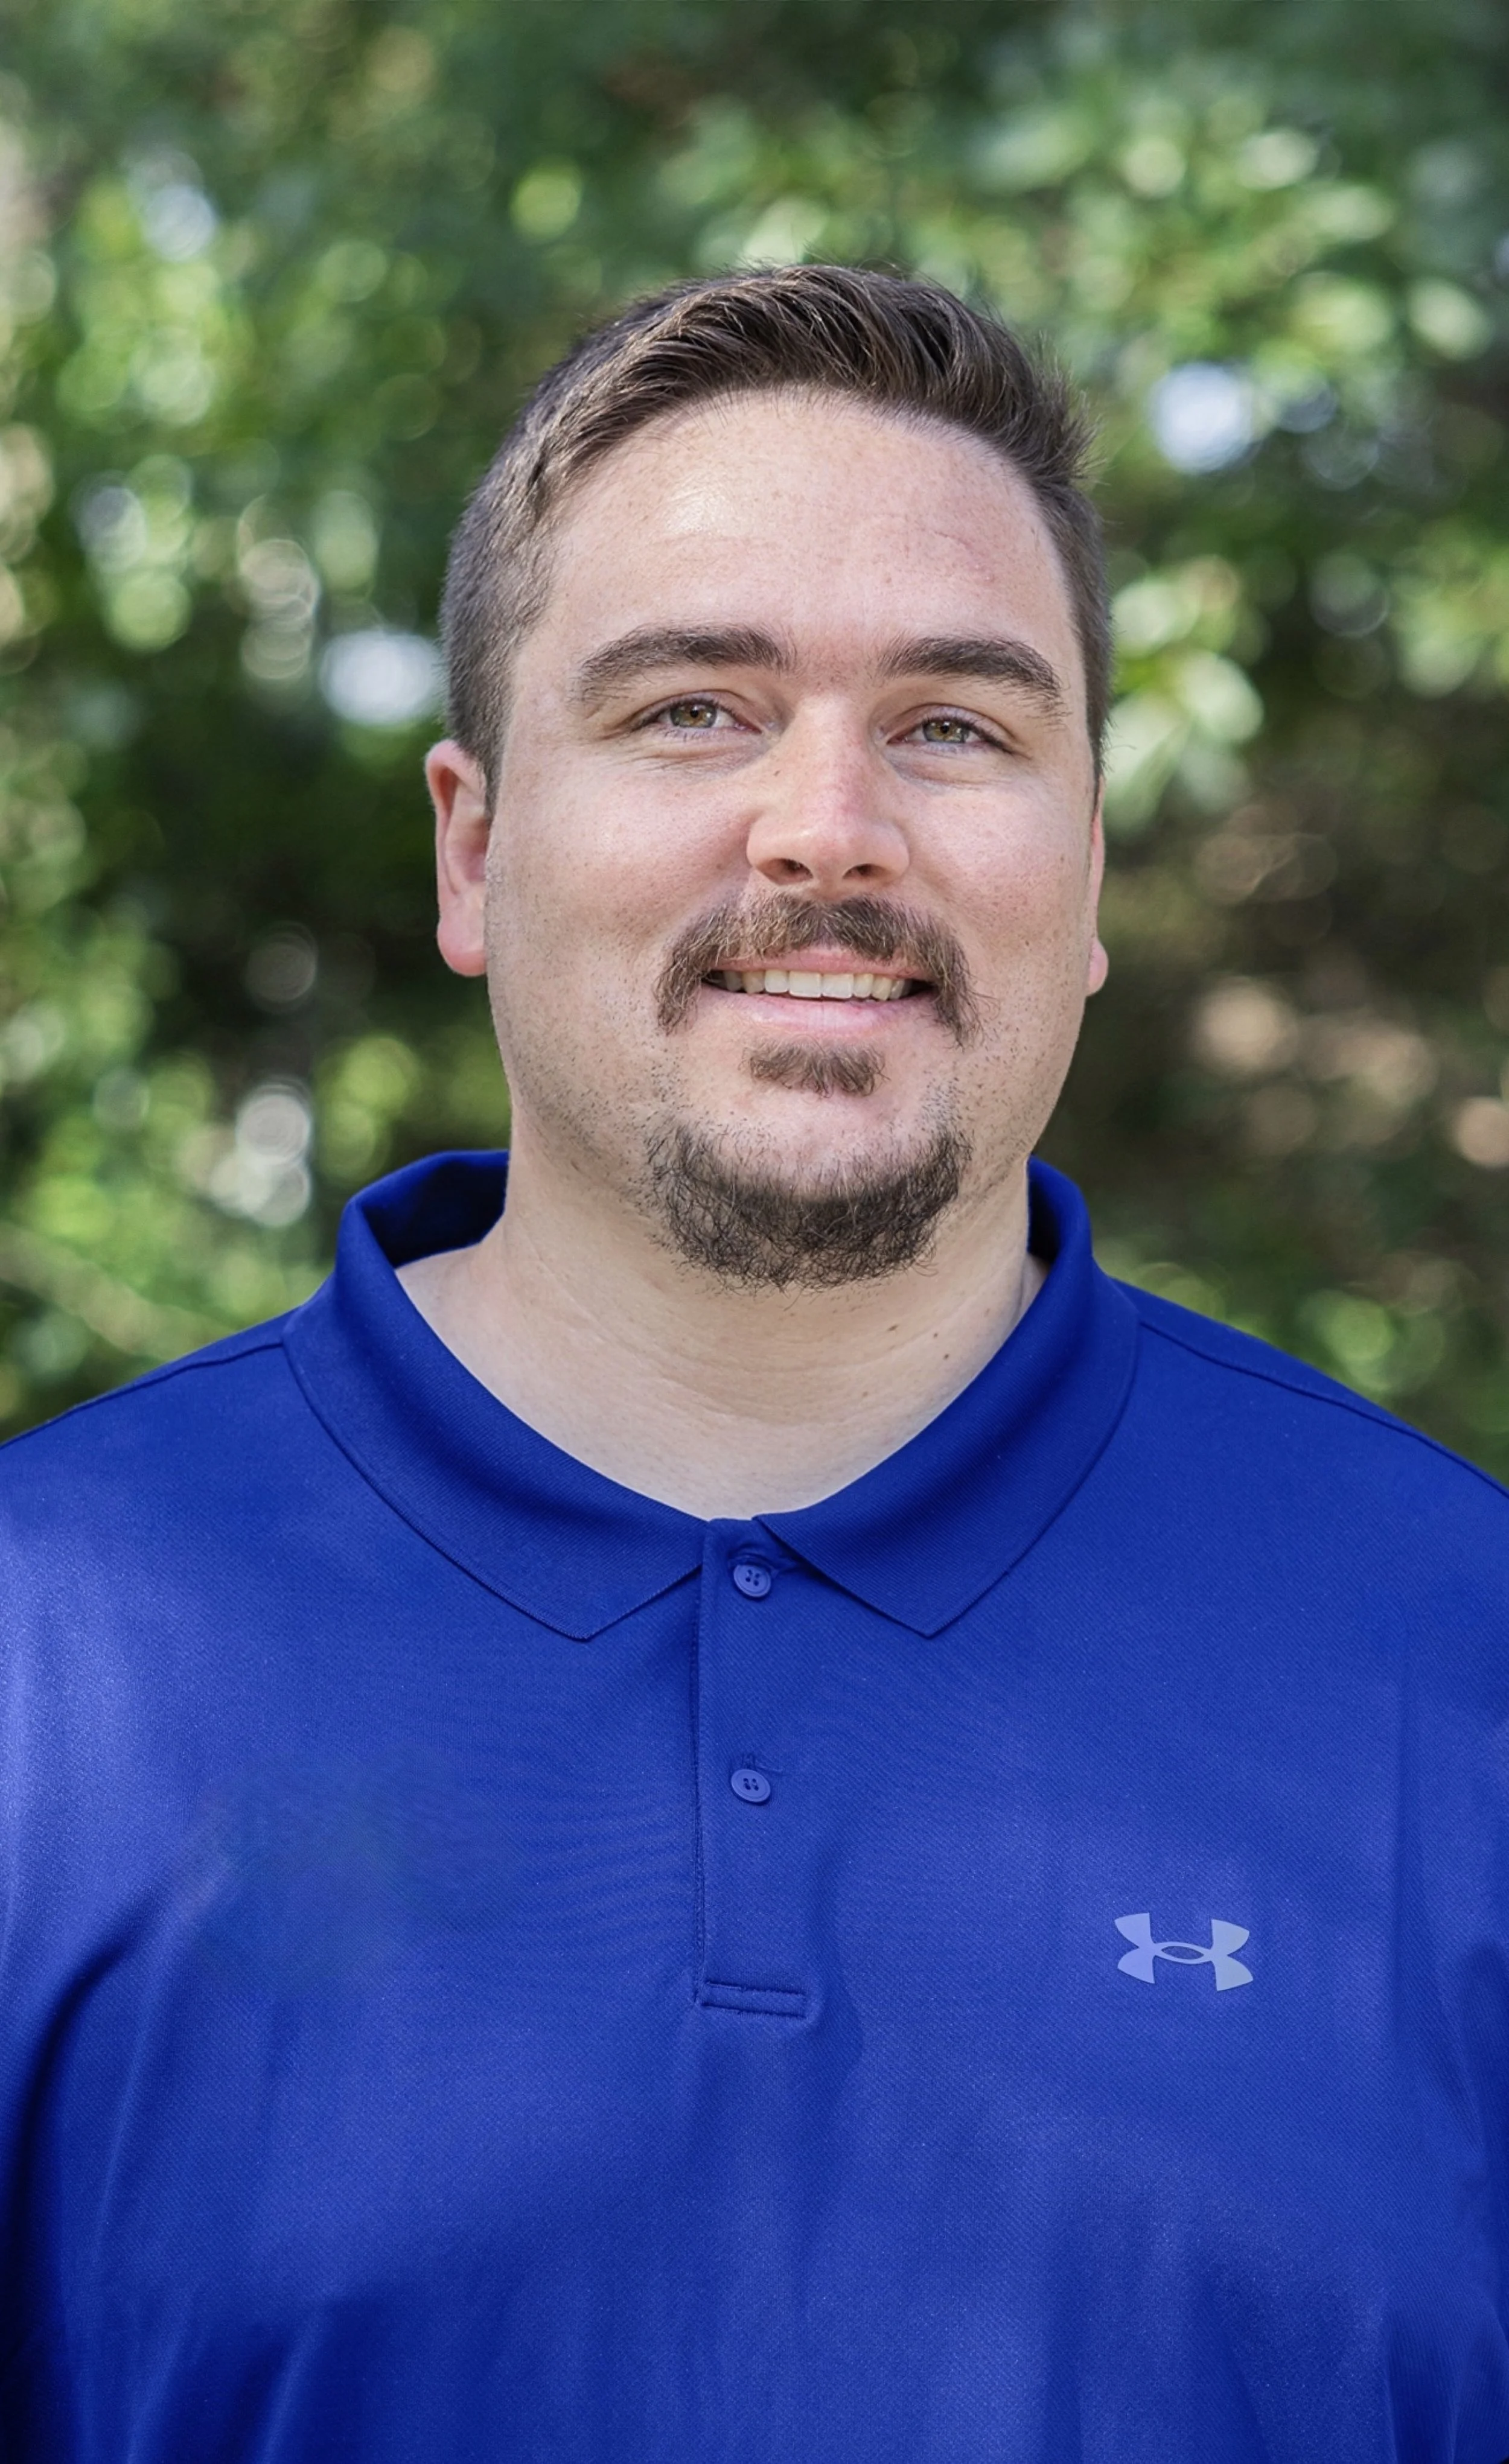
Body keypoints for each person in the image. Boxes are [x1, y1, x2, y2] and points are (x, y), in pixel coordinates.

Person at [0, 265, 1505, 2464]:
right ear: (474, 846)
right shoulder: (53, 1659)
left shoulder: (1458, 1656)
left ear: (1086, 868)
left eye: (957, 725)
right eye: (692, 709)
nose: (827, 831)